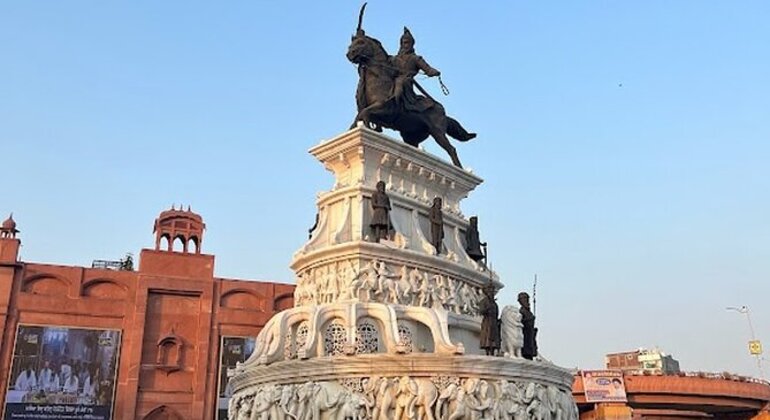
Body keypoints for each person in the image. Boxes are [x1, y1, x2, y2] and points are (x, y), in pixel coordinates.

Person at [393, 27, 441, 113]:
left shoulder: (415, 58)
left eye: (407, 43)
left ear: (411, 44)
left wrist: (433, 72)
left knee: (400, 82)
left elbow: (427, 69)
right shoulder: (394, 59)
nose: (405, 45)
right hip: (394, 79)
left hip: (406, 81)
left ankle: (394, 104)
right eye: (404, 43)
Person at [479, 282, 500, 356]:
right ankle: (487, 351)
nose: (491, 293)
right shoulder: (484, 301)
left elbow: (497, 313)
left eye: (492, 291)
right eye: (490, 291)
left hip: (494, 322)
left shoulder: (495, 303)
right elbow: (481, 311)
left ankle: (493, 351)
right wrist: (487, 309)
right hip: (487, 321)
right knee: (487, 337)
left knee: (494, 338)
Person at [518, 292, 538, 360]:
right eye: (524, 299)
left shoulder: (529, 312)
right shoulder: (521, 311)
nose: (526, 301)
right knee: (526, 351)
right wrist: (529, 319)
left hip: (530, 334)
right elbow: (520, 322)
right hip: (525, 334)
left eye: (527, 299)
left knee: (530, 350)